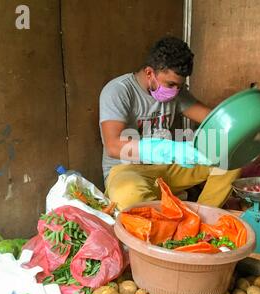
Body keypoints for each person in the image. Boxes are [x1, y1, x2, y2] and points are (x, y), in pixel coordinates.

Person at [99, 36, 241, 210]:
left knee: (230, 159)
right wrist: (170, 149)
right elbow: (113, 146)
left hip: (166, 168)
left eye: (179, 87)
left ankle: (201, 216)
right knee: (129, 194)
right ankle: (164, 214)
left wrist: (245, 132)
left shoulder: (176, 93)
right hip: (127, 171)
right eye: (171, 84)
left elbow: (214, 120)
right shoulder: (118, 91)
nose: (175, 92)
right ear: (150, 72)